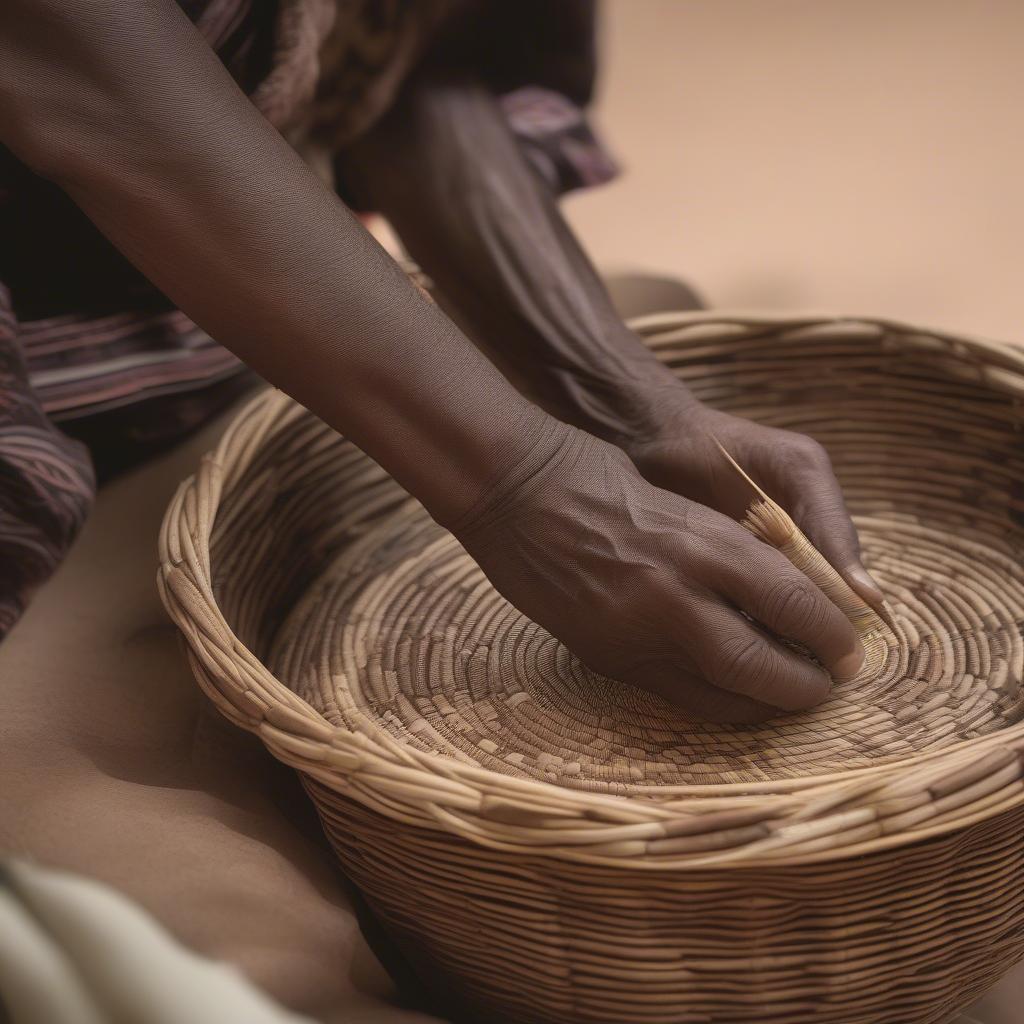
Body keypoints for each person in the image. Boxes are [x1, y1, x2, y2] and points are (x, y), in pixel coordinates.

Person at [0, 0, 882, 723]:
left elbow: (416, 63)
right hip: (63, 425)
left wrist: (626, 404)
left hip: (252, 327)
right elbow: (98, 91)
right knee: (253, 928)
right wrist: (520, 484)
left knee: (663, 307)